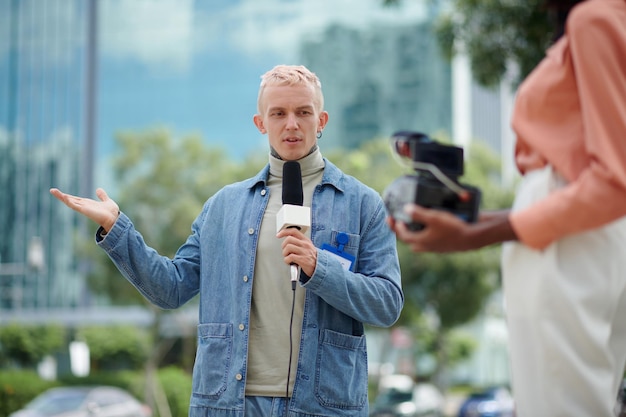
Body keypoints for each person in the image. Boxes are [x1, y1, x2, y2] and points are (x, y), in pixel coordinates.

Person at [51, 65, 403, 417]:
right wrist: (116, 228)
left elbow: (387, 304)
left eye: (303, 112)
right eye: (278, 113)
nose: (291, 123)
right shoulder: (223, 206)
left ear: (322, 120)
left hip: (324, 405)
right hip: (228, 404)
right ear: (260, 123)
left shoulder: (363, 204)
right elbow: (171, 289)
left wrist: (319, 267)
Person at [387, 1, 626, 416]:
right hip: (577, 237)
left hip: (568, 246)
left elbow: (614, 182)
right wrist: (472, 225)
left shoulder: (596, 17)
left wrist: (480, 232)